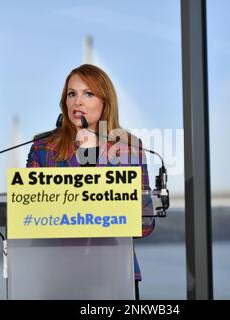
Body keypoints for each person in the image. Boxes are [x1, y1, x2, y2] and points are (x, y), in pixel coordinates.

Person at [26, 64, 155, 299]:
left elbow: (144, 224)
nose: (78, 102)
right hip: (55, 274)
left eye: (88, 94)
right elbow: (27, 214)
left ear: (105, 101)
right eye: (71, 94)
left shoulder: (127, 148)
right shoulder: (43, 147)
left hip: (113, 274)